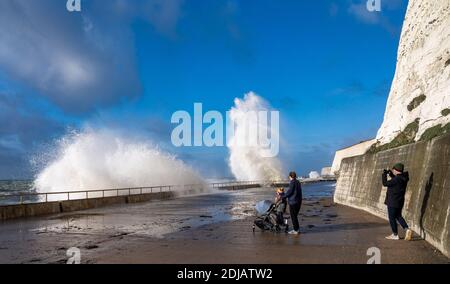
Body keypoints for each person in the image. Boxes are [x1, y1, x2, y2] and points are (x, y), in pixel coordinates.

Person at [382, 163, 413, 241]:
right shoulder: (403, 178)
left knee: (392, 218)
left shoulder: (396, 179)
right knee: (398, 216)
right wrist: (390, 174)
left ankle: (395, 234)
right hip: (399, 201)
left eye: (393, 169)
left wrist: (384, 174)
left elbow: (385, 183)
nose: (392, 170)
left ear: (396, 170)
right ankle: (407, 229)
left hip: (392, 201)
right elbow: (396, 180)